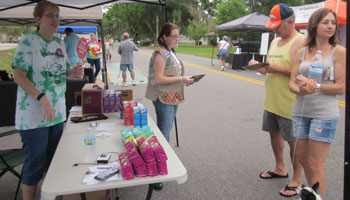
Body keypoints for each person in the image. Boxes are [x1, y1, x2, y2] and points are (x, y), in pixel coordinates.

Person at [11, 1, 83, 199]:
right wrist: (42, 98)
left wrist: (74, 71)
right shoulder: (29, 41)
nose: (55, 19)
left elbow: (64, 71)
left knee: (53, 163)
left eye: (57, 15)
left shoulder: (59, 42)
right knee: (35, 164)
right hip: (34, 117)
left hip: (57, 114)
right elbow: (19, 75)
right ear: (38, 19)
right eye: (50, 15)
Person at [248, 3, 305, 197]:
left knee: (294, 142)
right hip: (272, 100)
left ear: (290, 22)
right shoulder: (275, 41)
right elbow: (269, 68)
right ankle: (280, 168)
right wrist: (258, 66)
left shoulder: (300, 42)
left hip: (290, 102)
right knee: (274, 134)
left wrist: (275, 69)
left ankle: (297, 180)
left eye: (278, 25)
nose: (275, 29)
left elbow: (301, 73)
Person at [289, 8, 345, 196]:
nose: (331, 26)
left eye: (333, 23)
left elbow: (341, 87)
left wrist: (317, 87)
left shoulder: (339, 52)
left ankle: (316, 196)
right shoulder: (302, 52)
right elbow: (292, 82)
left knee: (315, 162)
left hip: (324, 114)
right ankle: (312, 195)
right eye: (325, 22)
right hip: (300, 111)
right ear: (314, 25)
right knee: (303, 158)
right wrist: (302, 90)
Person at [145, 23, 194, 190]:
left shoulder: (170, 53)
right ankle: (156, 171)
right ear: (164, 36)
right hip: (163, 98)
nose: (177, 39)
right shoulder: (160, 54)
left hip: (172, 97)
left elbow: (174, 74)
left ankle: (159, 165)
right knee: (162, 134)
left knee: (165, 132)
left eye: (178, 36)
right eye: (174, 36)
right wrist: (182, 79)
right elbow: (158, 79)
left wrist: (184, 79)